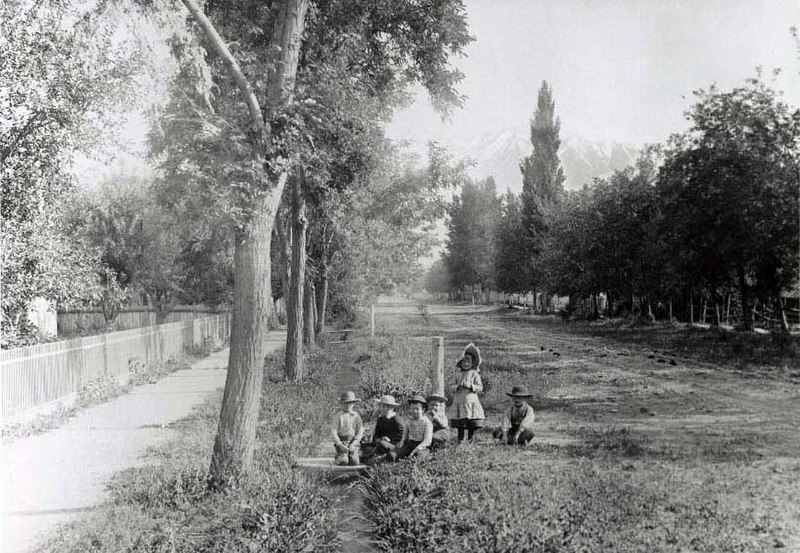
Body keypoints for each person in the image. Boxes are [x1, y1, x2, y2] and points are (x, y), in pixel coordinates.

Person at [448, 343, 485, 443]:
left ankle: (470, 439)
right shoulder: (457, 374)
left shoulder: (474, 374)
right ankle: (460, 439)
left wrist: (472, 386)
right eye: (464, 361)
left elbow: (480, 387)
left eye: (468, 361)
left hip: (471, 401)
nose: (466, 364)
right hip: (459, 401)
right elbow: (450, 386)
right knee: (461, 421)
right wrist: (457, 386)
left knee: (470, 421)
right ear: (460, 363)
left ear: (473, 363)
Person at [362, 395, 405, 464]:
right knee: (364, 446)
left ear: (392, 408)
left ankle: (371, 458)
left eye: (386, 407)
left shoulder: (397, 421)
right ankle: (370, 456)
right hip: (380, 444)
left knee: (382, 444)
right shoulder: (381, 419)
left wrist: (390, 440)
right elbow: (376, 436)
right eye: (382, 406)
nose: (383, 409)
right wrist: (381, 439)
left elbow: (402, 439)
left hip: (394, 447)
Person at [331, 390, 364, 465]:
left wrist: (354, 443)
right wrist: (339, 444)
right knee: (344, 462)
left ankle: (353, 455)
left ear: (354, 404)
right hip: (342, 441)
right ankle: (340, 456)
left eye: (350, 403)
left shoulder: (356, 416)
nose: (347, 405)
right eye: (345, 403)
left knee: (354, 462)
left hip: (352, 441)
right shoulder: (338, 416)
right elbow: (334, 432)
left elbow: (360, 431)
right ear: (341, 404)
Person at [396, 395, 433, 459]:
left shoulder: (427, 423)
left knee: (417, 456)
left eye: (417, 409)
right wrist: (401, 444)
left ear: (423, 410)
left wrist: (416, 450)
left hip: (422, 446)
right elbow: (404, 436)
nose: (414, 411)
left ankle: (425, 456)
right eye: (412, 408)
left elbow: (427, 441)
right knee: (392, 455)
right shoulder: (408, 421)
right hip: (410, 444)